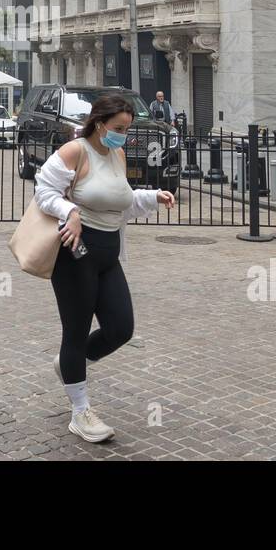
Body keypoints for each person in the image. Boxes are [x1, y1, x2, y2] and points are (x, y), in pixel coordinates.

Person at [32, 93, 176, 443]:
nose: (123, 135)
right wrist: (70, 212)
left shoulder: (118, 154)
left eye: (126, 129)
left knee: (121, 328)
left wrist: (153, 196)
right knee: (76, 333)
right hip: (75, 254)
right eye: (118, 128)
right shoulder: (75, 151)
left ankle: (70, 365)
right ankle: (80, 412)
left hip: (109, 255)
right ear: (99, 124)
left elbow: (120, 202)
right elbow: (44, 192)